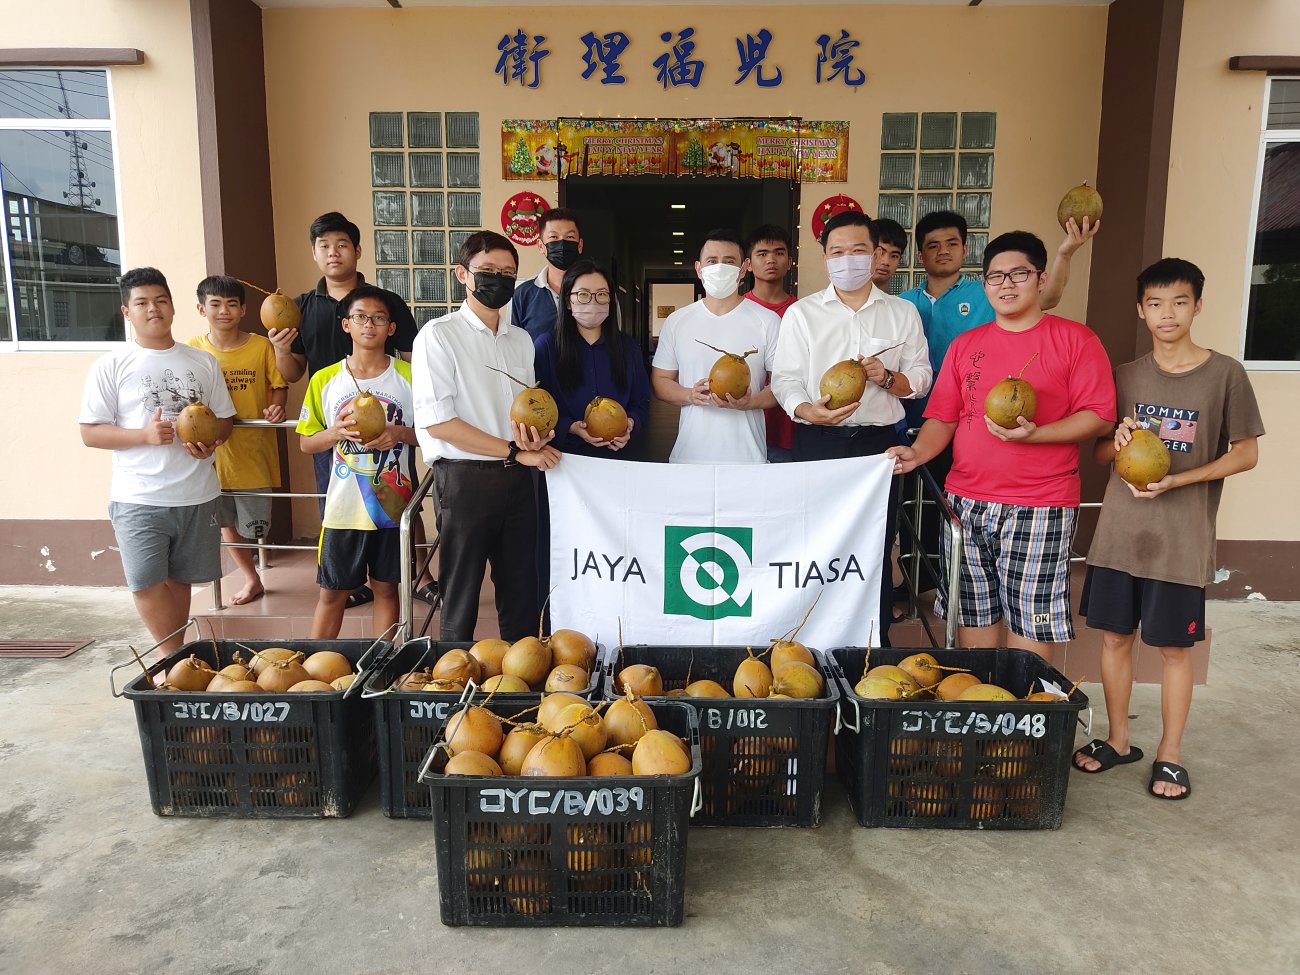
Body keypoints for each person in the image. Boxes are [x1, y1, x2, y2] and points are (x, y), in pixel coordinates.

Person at [1073, 258, 1263, 799]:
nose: (1167, 314)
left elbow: (1246, 454)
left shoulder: (1225, 374)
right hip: (1119, 535)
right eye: (1155, 304)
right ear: (1141, 310)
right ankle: (1118, 739)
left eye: (1179, 302)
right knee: (1113, 639)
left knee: (1175, 652)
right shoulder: (1127, 376)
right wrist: (1123, 439)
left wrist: (1181, 482)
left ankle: (1170, 754)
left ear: (1197, 305)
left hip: (1180, 540)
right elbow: (1102, 451)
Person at [887, 231, 1115, 664]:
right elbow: (945, 417)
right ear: (985, 283)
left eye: (1019, 274)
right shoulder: (966, 346)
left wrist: (1036, 434)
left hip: (1041, 503)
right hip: (967, 500)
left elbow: (1099, 415)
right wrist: (918, 454)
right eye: (995, 277)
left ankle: (1023, 720)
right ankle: (986, 709)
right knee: (974, 614)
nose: (1006, 284)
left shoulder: (1074, 340)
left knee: (1030, 619)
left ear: (1041, 279)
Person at [771, 210, 931, 646]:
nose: (848, 259)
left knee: (876, 546)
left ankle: (873, 640)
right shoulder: (802, 314)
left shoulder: (901, 314)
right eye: (837, 251)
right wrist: (807, 409)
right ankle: (808, 641)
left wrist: (887, 379)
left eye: (859, 250)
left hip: (878, 449)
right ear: (824, 258)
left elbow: (920, 379)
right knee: (813, 543)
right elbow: (785, 378)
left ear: (875, 253)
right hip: (817, 441)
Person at [269, 211, 429, 607]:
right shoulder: (300, 307)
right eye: (324, 246)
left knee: (399, 498)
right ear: (314, 253)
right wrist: (280, 350)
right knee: (336, 502)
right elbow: (293, 374)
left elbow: (411, 358)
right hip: (333, 422)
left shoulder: (384, 302)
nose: (333, 252)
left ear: (357, 251)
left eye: (341, 245)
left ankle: (419, 572)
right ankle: (350, 579)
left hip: (387, 416)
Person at [412, 231, 560, 642]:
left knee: (520, 593)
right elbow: (439, 423)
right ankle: (450, 685)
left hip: (518, 480)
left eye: (508, 273)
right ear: (462, 274)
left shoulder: (521, 340)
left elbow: (527, 410)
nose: (498, 279)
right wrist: (514, 450)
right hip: (464, 481)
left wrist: (532, 442)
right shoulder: (438, 336)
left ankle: (522, 683)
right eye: (488, 271)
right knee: (460, 595)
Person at [79, 268, 236, 656]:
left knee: (181, 580)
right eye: (142, 303)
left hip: (196, 493)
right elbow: (91, 432)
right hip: (138, 496)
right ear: (126, 311)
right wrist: (143, 436)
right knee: (146, 583)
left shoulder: (202, 361)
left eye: (161, 300)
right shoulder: (111, 365)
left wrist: (212, 441)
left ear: (173, 307)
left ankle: (178, 661)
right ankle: (172, 658)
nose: (154, 309)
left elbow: (225, 419)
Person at [296, 285, 418, 639]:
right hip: (342, 509)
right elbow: (306, 442)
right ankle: (315, 673)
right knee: (332, 593)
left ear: (391, 328)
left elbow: (430, 434)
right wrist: (335, 432)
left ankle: (384, 666)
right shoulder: (325, 379)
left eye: (379, 318)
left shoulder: (409, 378)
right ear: (346, 325)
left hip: (391, 506)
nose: (370, 325)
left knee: (386, 589)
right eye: (361, 317)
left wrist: (399, 434)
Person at [187, 275, 288, 606]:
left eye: (231, 304)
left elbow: (279, 384)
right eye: (215, 304)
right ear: (202, 309)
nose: (224, 311)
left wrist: (277, 405)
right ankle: (251, 577)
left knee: (255, 524)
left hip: (252, 450)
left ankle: (257, 566)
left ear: (243, 309)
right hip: (209, 454)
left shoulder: (261, 346)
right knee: (223, 521)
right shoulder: (193, 350)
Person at [651, 228, 781, 465]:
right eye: (712, 261)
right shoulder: (678, 321)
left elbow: (782, 384)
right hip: (690, 456)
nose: (720, 267)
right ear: (699, 269)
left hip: (748, 458)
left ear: (744, 268)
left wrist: (750, 402)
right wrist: (689, 395)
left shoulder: (767, 321)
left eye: (729, 261)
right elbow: (660, 381)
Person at [533, 259, 650, 457]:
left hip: (618, 460)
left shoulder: (628, 348)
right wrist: (569, 427)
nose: (593, 301)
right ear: (568, 302)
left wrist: (629, 424)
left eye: (602, 295)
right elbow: (537, 406)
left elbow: (642, 403)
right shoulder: (546, 346)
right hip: (564, 460)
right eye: (583, 294)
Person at [743, 224, 797, 463]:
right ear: (748, 264)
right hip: (744, 421)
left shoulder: (802, 313)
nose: (771, 259)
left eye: (779, 252)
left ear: (790, 262)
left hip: (789, 426)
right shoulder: (736, 311)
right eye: (762, 254)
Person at [510, 207, 584, 340]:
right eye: (553, 237)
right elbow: (516, 347)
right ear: (540, 246)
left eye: (570, 237)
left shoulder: (599, 291)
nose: (562, 243)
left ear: (579, 245)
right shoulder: (523, 294)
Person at [869, 218, 908, 292]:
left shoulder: (904, 303)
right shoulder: (842, 300)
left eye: (894, 256)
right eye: (881, 252)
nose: (886, 262)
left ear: (900, 260)